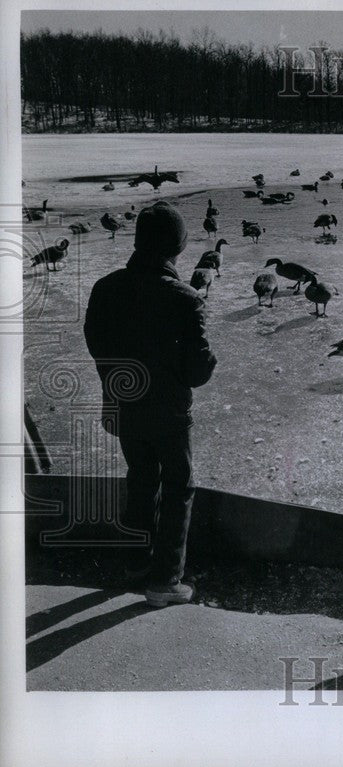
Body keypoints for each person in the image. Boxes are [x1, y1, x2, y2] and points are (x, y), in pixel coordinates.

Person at [84, 201, 216, 608]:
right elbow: (198, 372)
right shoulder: (186, 298)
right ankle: (165, 581)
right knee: (179, 486)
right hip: (170, 414)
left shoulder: (105, 288)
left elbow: (96, 344)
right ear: (177, 248)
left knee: (140, 477)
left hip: (125, 408)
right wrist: (208, 354)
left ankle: (135, 563)